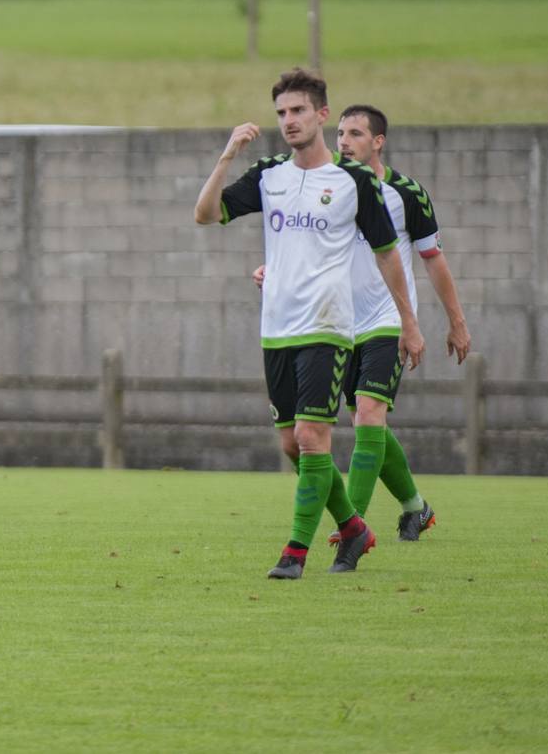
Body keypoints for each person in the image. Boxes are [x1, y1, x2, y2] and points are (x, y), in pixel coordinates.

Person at [193, 68, 425, 580]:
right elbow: (206, 214)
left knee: (313, 437)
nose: (288, 121)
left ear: (322, 114)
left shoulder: (353, 180)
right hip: (277, 327)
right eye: (281, 113)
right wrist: (227, 155)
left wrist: (409, 322)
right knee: (291, 445)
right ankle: (355, 527)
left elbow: (389, 255)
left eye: (298, 111)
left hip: (328, 325)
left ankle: (294, 553)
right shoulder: (270, 175)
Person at [254, 105, 470, 544]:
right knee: (366, 424)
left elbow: (433, 260)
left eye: (355, 133)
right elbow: (301, 244)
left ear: (378, 142)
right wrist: (272, 272)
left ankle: (352, 528)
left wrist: (454, 322)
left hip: (386, 321)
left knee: (369, 414)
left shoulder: (407, 194)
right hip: (335, 324)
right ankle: (416, 508)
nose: (344, 141)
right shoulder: (328, 186)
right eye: (340, 133)